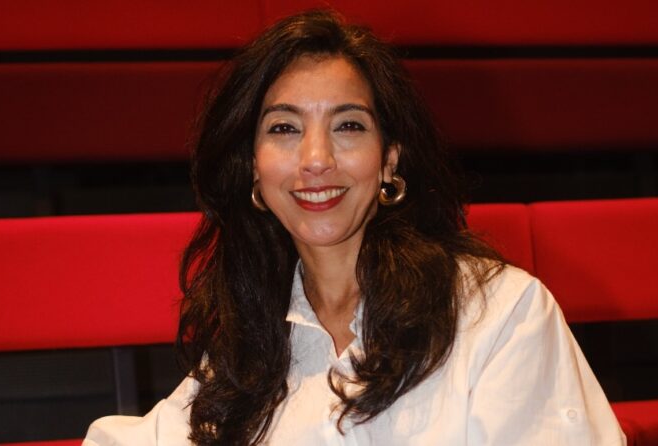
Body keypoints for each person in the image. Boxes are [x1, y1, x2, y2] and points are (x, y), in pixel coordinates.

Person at [84, 10, 625, 445]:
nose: (316, 159)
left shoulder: (501, 314)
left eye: (348, 125)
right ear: (253, 168)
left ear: (389, 159)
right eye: (284, 128)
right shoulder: (247, 350)